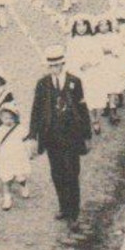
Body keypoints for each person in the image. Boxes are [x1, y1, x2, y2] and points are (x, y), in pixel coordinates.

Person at [28, 45, 93, 223]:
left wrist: (87, 135)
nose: (55, 69)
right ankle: (64, 207)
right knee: (57, 173)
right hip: (51, 137)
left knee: (72, 173)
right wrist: (33, 135)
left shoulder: (75, 82)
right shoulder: (42, 84)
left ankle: (74, 213)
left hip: (72, 135)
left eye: (58, 65)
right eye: (51, 66)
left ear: (63, 64)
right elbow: (36, 110)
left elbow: (82, 108)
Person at [0, 99, 32, 211]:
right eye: (5, 118)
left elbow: (27, 141)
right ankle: (7, 198)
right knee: (6, 179)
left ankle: (23, 186)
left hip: (18, 156)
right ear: (1, 118)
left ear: (15, 118)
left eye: (10, 118)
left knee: (20, 175)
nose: (8, 120)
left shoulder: (20, 129)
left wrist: (29, 153)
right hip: (5, 158)